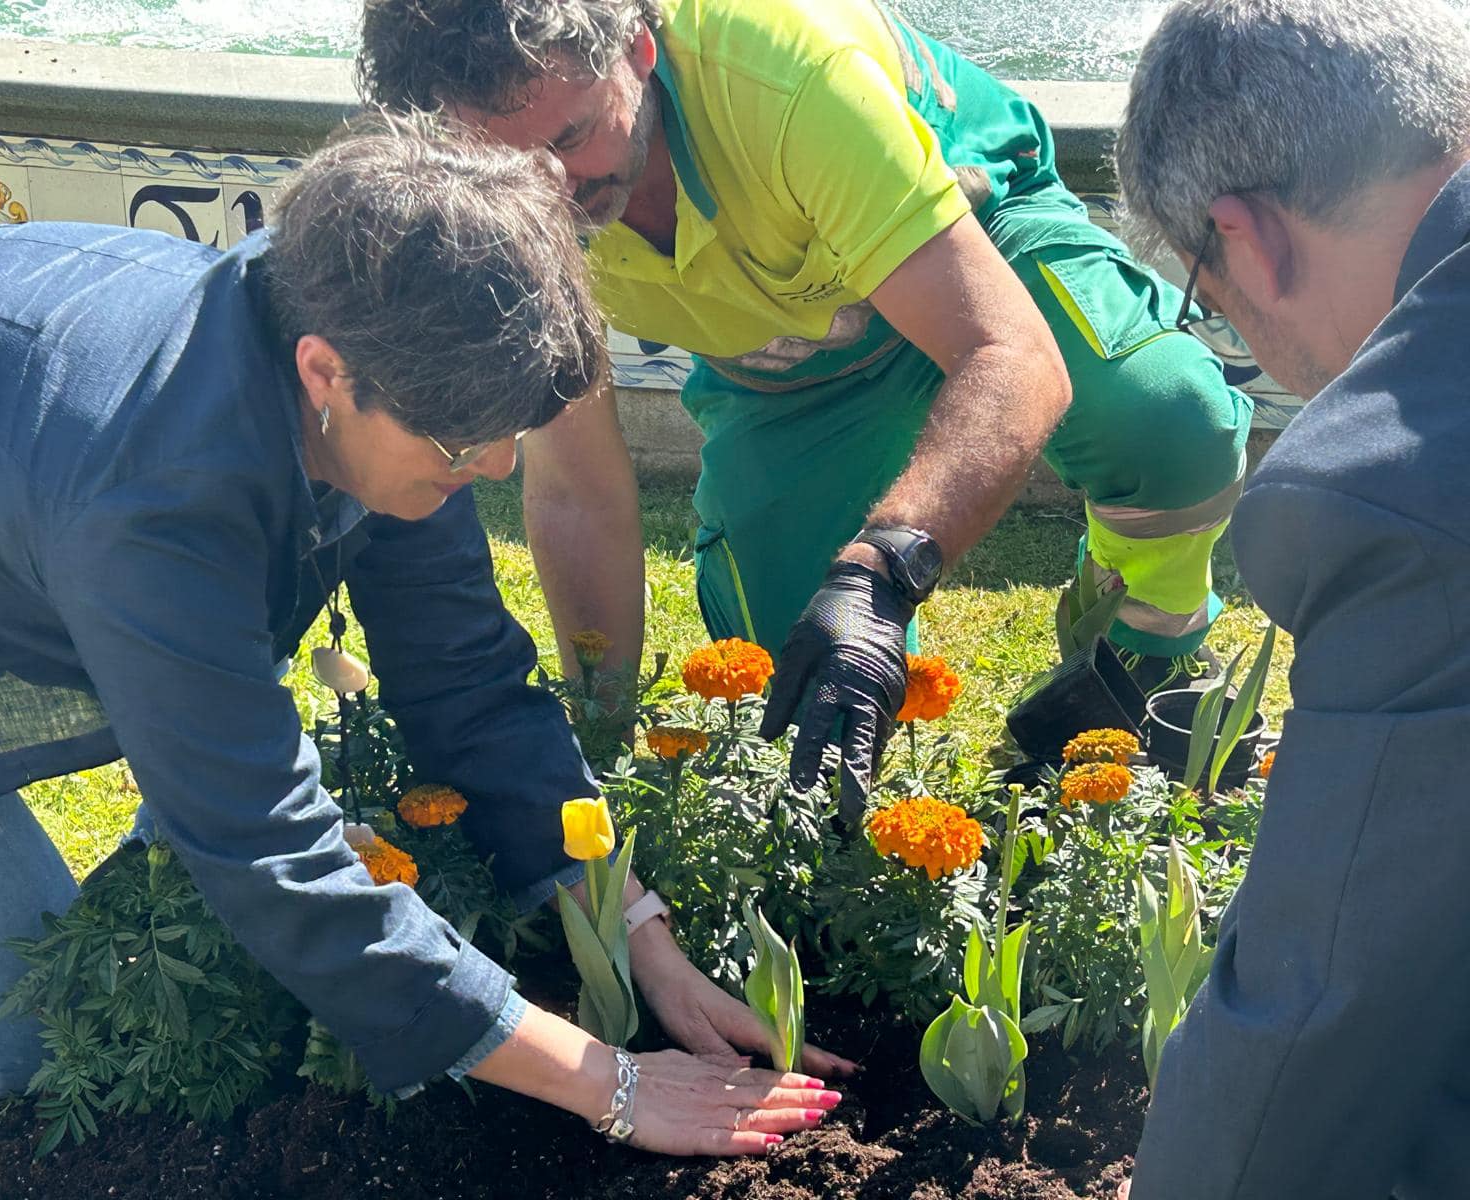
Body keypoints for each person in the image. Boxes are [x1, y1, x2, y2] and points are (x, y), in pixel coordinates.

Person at [0, 113, 850, 1156]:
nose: (497, 468)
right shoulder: (154, 500)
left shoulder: (393, 348)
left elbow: (465, 679)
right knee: (6, 1034)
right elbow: (269, 849)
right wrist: (608, 1084)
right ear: (325, 375)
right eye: (467, 442)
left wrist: (632, 929)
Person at [357, 0, 1254, 816]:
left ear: (639, 42)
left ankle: (1147, 656)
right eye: (504, 163)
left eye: (576, 134)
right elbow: (576, 486)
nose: (548, 190)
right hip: (792, 363)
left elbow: (1009, 355)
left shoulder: (786, 72)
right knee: (790, 670)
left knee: (1166, 416)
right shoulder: (483, 197)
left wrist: (879, 575)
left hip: (980, 247)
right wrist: (601, 736)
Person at [1113, 0, 1470, 1195]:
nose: (1234, 327)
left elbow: (1317, 1014)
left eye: (1207, 300)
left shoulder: (1394, 485)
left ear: (1245, 236)